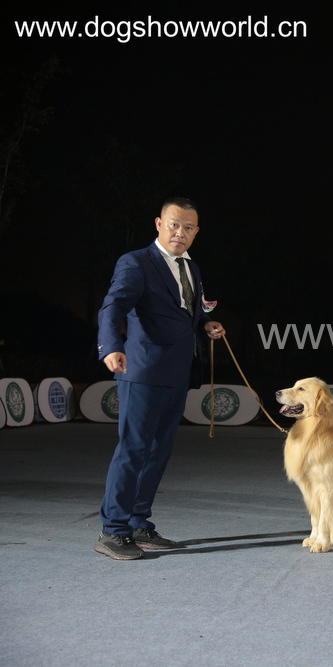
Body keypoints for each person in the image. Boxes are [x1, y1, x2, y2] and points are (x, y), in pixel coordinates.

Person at [94, 197, 225, 560]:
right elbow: (113, 306)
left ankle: (138, 523)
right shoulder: (136, 262)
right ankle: (113, 529)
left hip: (177, 373)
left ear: (196, 232)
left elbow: (187, 312)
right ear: (158, 224)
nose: (180, 232)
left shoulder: (191, 267)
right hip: (142, 373)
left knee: (157, 453)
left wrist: (206, 324)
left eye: (188, 227)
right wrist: (110, 346)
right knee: (133, 450)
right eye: (174, 224)